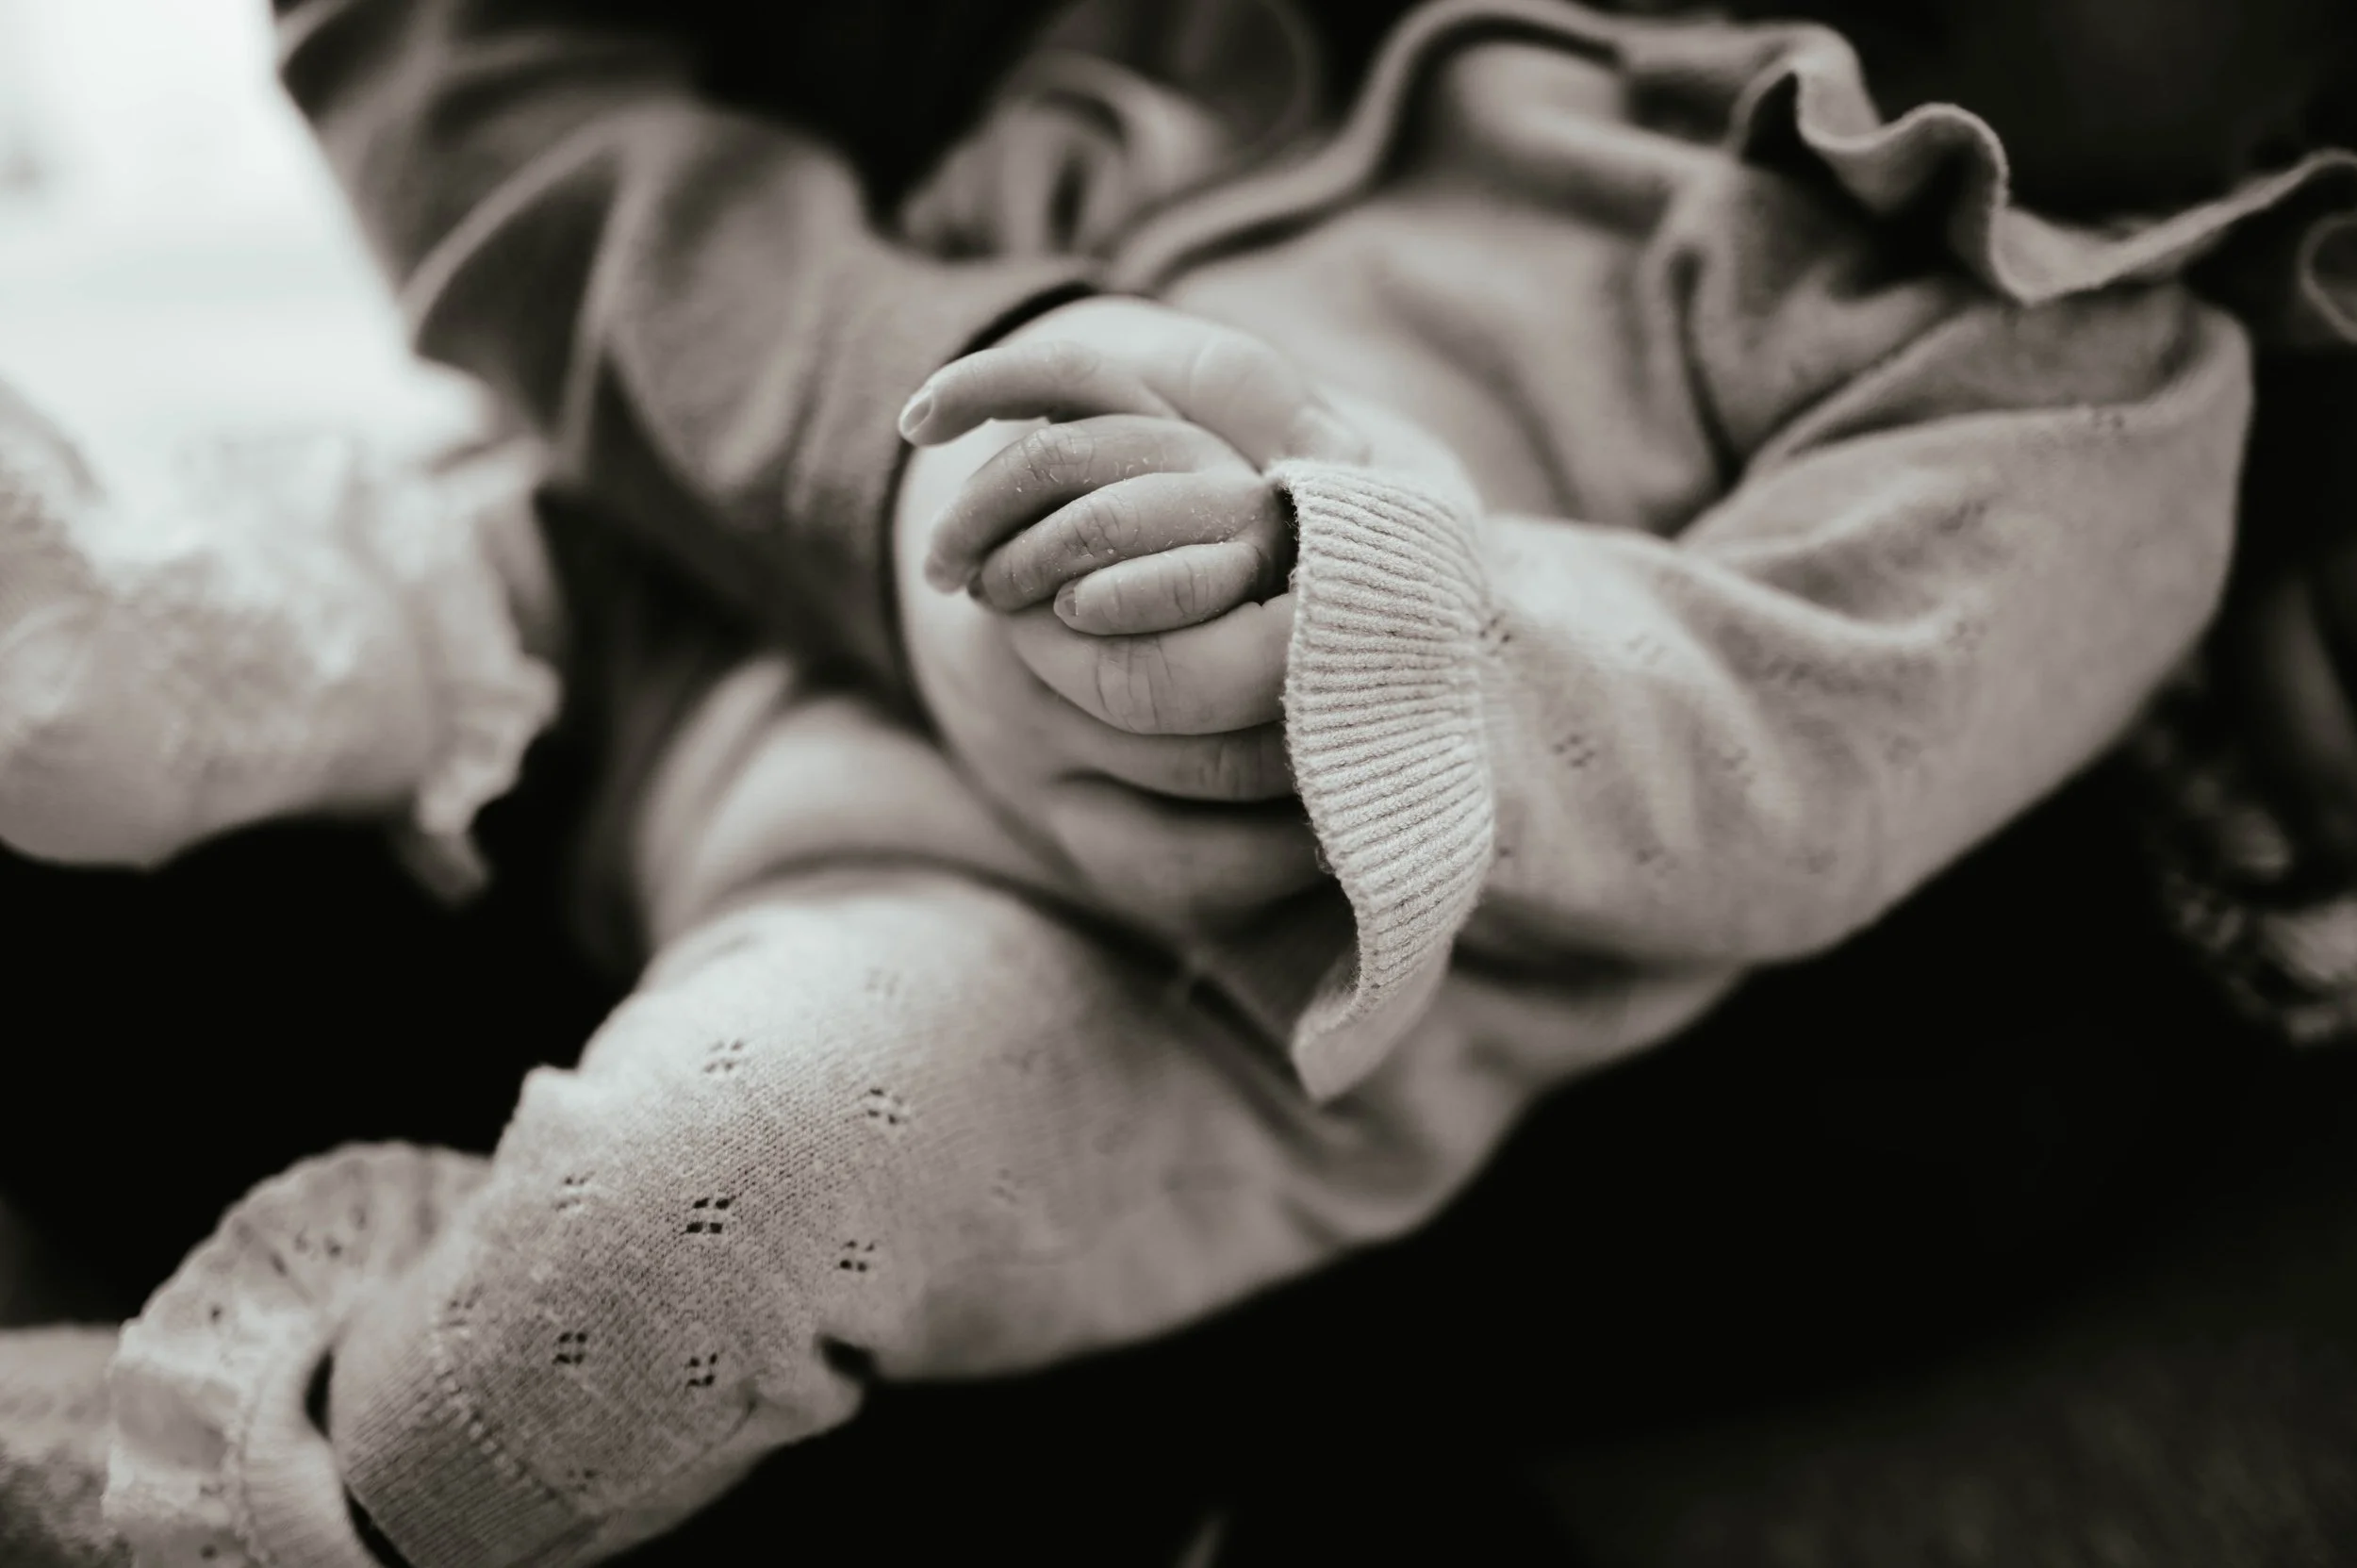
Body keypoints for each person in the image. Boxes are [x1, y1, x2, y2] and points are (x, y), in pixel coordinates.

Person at [14, 3, 2338, 1566]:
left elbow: (1794, 756)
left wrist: (1355, 607)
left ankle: (243, 1479)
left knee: (703, 1212)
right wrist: (953, 386)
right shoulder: (1496, 36)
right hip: (696, 588)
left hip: (1095, 944)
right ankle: (132, 664)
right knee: (186, 639)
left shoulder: (2087, 401)